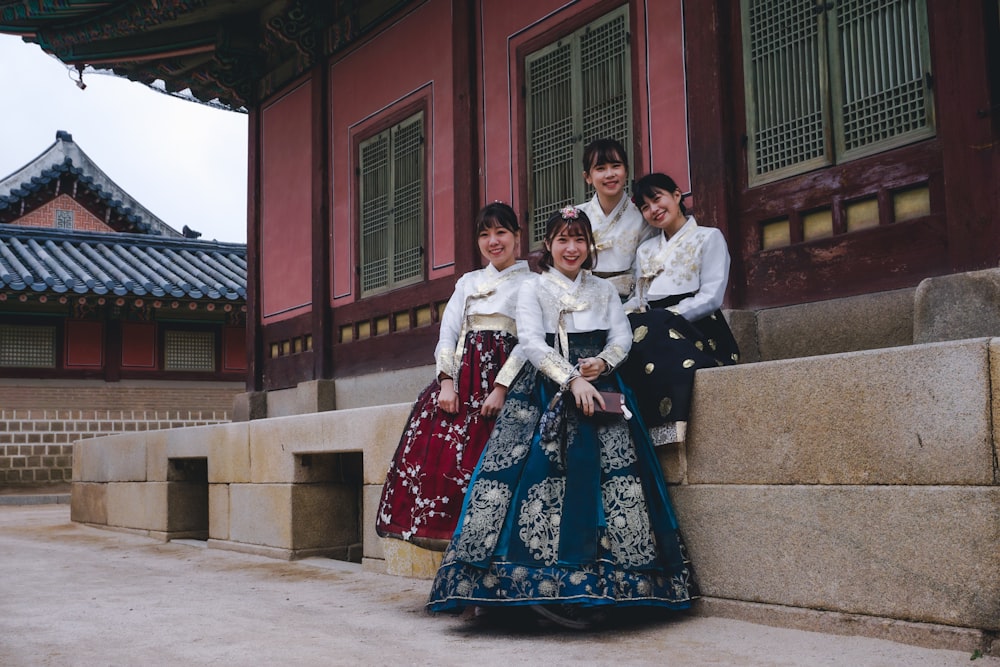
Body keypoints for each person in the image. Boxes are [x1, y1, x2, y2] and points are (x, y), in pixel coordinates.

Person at [426, 206, 698, 628]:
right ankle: (528, 590)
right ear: (548, 246)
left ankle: (614, 588)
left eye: (579, 240)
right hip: (542, 390)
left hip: (602, 387)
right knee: (526, 475)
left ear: (589, 247)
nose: (571, 248)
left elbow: (621, 336)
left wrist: (603, 365)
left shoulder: (605, 291)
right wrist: (572, 379)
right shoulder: (534, 288)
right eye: (562, 240)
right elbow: (532, 342)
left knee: (616, 479)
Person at [376, 202, 532, 550]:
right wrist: (446, 382)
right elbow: (447, 334)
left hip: (507, 383)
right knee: (442, 466)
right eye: (485, 234)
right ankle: (455, 558)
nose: (494, 241)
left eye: (501, 232)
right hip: (462, 383)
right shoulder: (468, 282)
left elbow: (529, 342)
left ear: (518, 237)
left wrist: (502, 387)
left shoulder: (533, 285)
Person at [620, 172, 740, 430]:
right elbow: (639, 299)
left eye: (657, 198)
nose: (654, 209)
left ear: (676, 195)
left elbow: (711, 297)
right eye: (645, 206)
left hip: (697, 324)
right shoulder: (646, 250)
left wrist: (668, 316)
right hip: (652, 323)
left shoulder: (709, 237)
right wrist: (618, 315)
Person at [576, 138, 653, 298]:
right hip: (582, 299)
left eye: (616, 166)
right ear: (588, 177)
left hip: (628, 300)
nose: (610, 174)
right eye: (600, 168)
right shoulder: (575, 216)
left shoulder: (642, 216)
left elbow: (645, 270)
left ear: (626, 170)